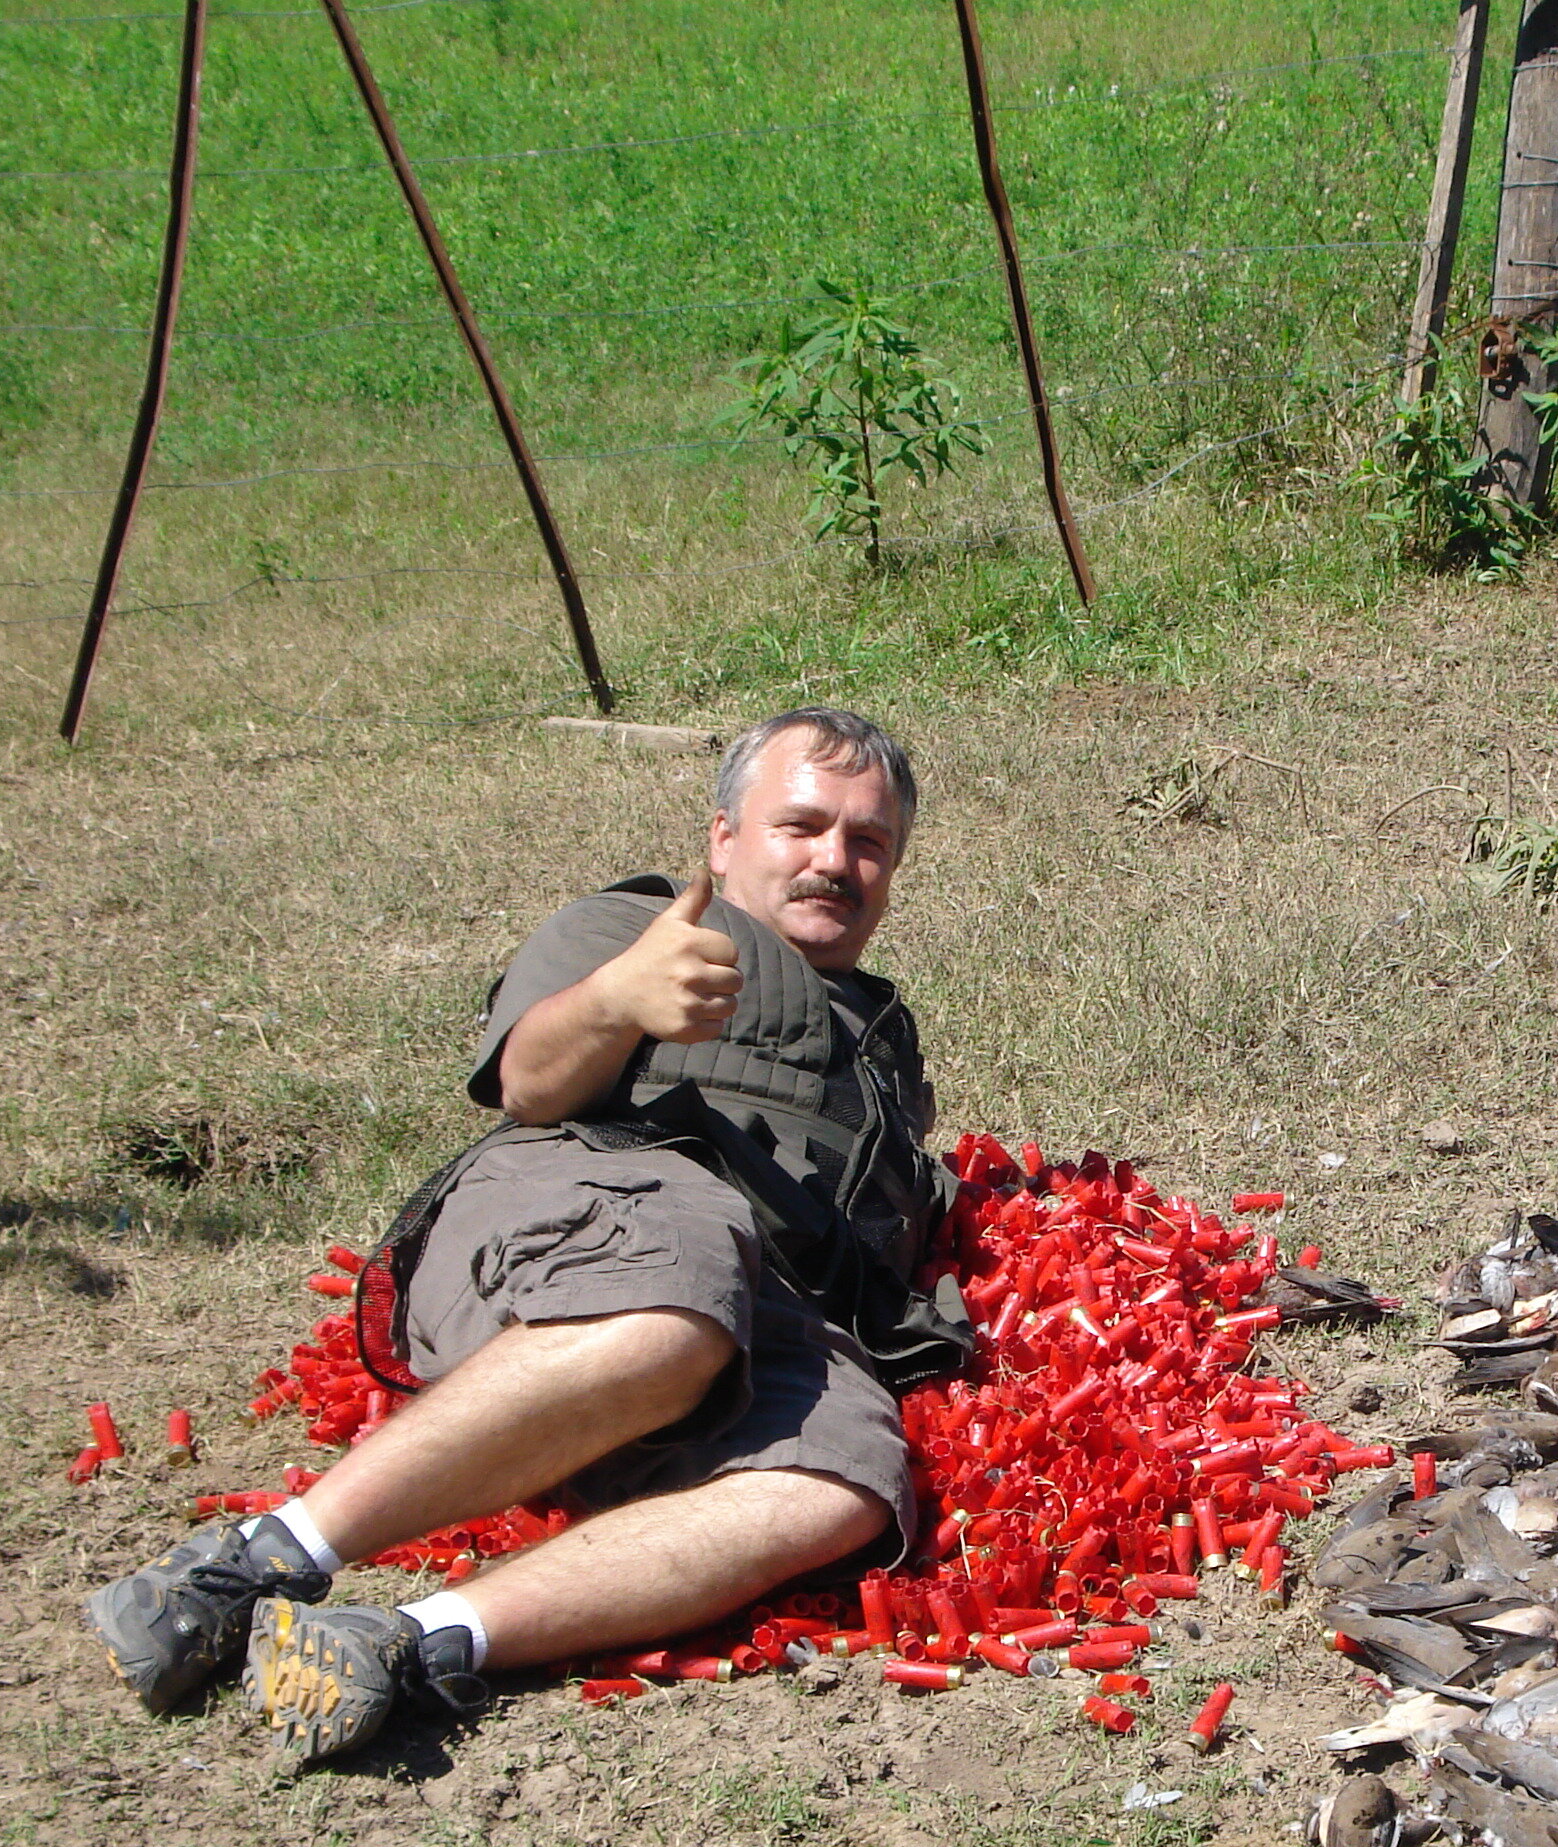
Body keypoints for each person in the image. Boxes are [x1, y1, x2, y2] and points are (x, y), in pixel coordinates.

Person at [83, 706, 969, 1769]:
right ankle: (250, 1567)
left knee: (843, 1486)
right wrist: (617, 999)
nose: (836, 859)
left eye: (867, 840)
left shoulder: (882, 1044)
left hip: (770, 1301)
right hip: (597, 1200)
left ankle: (409, 1642)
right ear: (725, 838)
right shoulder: (643, 926)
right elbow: (531, 1082)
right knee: (671, 1300)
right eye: (801, 825)